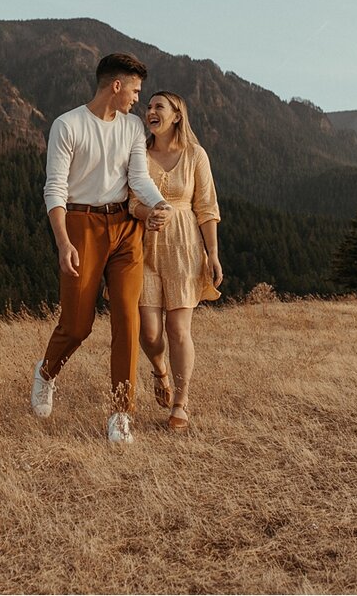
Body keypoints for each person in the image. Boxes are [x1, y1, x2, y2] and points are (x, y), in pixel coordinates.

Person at [29, 52, 170, 445]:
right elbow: (54, 187)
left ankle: (121, 414)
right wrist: (63, 241)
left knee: (128, 319)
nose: (137, 100)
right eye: (135, 91)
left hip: (125, 228)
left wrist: (158, 205)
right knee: (77, 325)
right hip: (80, 226)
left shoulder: (131, 128)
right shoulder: (67, 125)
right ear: (116, 86)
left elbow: (138, 177)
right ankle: (46, 373)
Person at [130, 92, 223, 432]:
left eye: (159, 107)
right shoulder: (137, 152)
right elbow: (130, 202)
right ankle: (160, 369)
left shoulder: (195, 155)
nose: (150, 111)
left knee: (178, 329)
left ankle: (180, 403)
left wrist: (212, 255)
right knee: (151, 331)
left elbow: (207, 208)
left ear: (177, 116)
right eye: (149, 106)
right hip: (145, 247)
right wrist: (146, 212)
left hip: (184, 247)